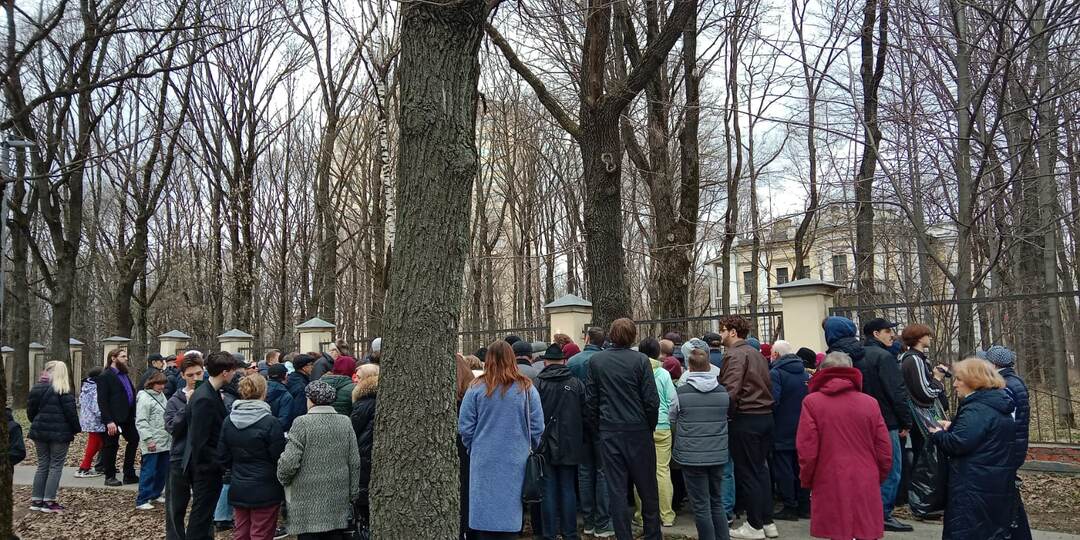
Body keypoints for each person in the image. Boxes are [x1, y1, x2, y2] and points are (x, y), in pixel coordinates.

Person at [796, 351, 893, 540]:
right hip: (866, 475)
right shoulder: (870, 403)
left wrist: (807, 480)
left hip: (829, 476)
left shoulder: (812, 402)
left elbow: (807, 449)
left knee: (838, 532)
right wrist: (878, 476)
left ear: (822, 371)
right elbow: (884, 449)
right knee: (865, 531)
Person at [459, 340, 545, 539]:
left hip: (483, 460)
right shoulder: (526, 389)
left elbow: (465, 427)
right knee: (510, 514)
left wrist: (476, 448)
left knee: (483, 514)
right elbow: (537, 426)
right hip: (516, 460)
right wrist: (526, 445)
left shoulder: (475, 389)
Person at [585, 318, 661, 540]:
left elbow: (591, 401)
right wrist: (649, 426)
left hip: (610, 431)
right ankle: (653, 534)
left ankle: (623, 535)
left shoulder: (597, 361)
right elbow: (651, 400)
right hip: (637, 430)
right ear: (633, 336)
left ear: (612, 335)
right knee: (647, 487)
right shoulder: (640, 361)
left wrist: (599, 428)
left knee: (617, 490)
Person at [928, 358, 1017, 540]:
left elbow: (958, 444)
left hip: (973, 484)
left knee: (969, 530)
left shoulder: (977, 408)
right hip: (992, 481)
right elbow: (983, 436)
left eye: (959, 379)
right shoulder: (993, 403)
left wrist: (938, 434)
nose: (954, 384)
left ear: (973, 380)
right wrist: (953, 426)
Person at [278, 380, 362, 539]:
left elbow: (289, 462)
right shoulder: (345, 421)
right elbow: (354, 461)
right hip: (338, 495)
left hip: (306, 498)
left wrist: (283, 479)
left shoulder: (301, 423)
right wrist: (353, 493)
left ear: (310, 399)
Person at [717, 316, 777, 540]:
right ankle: (767, 521)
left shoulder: (734, 355)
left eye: (723, 330)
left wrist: (724, 414)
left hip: (746, 418)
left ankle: (754, 525)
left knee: (747, 473)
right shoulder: (756, 353)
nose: (721, 335)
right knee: (760, 470)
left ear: (732, 332)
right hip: (765, 416)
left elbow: (730, 390)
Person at [668, 340, 731, 540]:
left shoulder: (681, 393)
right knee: (717, 501)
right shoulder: (723, 393)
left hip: (691, 455)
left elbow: (672, 418)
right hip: (718, 453)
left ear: (689, 367)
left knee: (701, 506)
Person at [858, 317, 914, 532]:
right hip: (887, 422)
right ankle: (882, 514)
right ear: (876, 334)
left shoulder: (857, 355)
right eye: (888, 331)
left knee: (870, 470)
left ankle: (870, 512)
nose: (892, 335)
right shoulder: (883, 357)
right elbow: (896, 392)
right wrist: (905, 421)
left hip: (863, 422)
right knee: (891, 469)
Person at [218, 374, 287, 540]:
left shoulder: (229, 420)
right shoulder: (271, 422)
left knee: (241, 531)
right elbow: (279, 457)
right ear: (264, 392)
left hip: (239, 483)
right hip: (266, 486)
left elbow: (222, 455)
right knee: (261, 532)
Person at [178, 351, 238, 539]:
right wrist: (218, 463)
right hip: (205, 469)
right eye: (233, 371)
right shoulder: (205, 398)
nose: (235, 374)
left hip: (208, 467)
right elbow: (199, 441)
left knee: (205, 516)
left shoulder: (208, 392)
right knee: (200, 517)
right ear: (225, 372)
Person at [897, 323, 949, 515]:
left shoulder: (910, 358)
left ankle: (924, 498)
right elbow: (926, 393)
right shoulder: (914, 360)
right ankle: (924, 499)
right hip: (922, 416)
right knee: (924, 457)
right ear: (919, 338)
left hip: (918, 415)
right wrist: (937, 379)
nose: (930, 338)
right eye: (927, 335)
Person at [536, 344, 585, 540]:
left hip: (544, 443)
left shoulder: (537, 384)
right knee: (567, 488)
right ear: (564, 361)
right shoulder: (576, 383)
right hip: (570, 443)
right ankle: (570, 533)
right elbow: (586, 413)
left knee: (547, 490)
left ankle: (548, 533)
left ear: (546, 362)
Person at [982, 346, 1032, 540]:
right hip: (1013, 447)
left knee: (1006, 497)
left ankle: (1013, 532)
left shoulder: (1005, 385)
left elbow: (1006, 421)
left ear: (994, 364)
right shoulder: (1014, 381)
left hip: (1008, 449)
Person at [568, 327, 612, 537]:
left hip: (580, 420)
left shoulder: (574, 361)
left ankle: (588, 521)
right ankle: (603, 522)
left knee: (585, 471)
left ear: (586, 338)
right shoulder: (606, 360)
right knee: (603, 471)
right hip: (603, 420)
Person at [634, 338, 678, 528]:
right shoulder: (664, 374)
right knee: (662, 471)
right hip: (661, 427)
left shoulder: (634, 372)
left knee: (640, 473)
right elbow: (673, 402)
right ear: (658, 353)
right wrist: (668, 421)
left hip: (640, 428)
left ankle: (642, 515)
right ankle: (666, 515)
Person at [27, 360, 80, 514]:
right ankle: (49, 501)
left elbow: (30, 411)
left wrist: (38, 422)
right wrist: (76, 429)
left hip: (40, 431)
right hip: (60, 433)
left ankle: (37, 499)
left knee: (43, 465)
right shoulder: (63, 390)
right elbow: (71, 414)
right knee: (55, 466)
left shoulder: (37, 388)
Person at [768, 340, 810, 521]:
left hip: (782, 428)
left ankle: (789, 506)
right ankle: (804, 505)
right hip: (802, 427)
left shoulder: (776, 373)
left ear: (776, 354)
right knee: (800, 467)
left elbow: (773, 401)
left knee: (784, 469)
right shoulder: (804, 373)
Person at [165, 351, 204, 540]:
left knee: (203, 506)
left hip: (203, 458)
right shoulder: (175, 400)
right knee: (176, 507)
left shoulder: (210, 397)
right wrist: (187, 407)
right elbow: (172, 427)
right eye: (190, 375)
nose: (195, 378)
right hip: (179, 458)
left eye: (198, 374)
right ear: (182, 376)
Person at [97, 348, 140, 487]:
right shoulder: (105, 376)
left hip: (127, 417)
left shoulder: (124, 374)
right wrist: (109, 421)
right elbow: (102, 401)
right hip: (113, 419)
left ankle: (129, 473)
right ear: (113, 358)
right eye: (123, 356)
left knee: (134, 439)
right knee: (111, 446)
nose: (126, 359)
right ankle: (109, 476)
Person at [134, 372, 171, 510]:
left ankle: (155, 493)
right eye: (159, 384)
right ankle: (143, 498)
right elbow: (141, 421)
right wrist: (149, 439)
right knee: (149, 470)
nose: (162, 386)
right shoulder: (144, 398)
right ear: (151, 383)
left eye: (163, 384)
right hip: (152, 440)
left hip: (164, 439)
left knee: (162, 469)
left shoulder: (161, 396)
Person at [350, 364, 380, 532]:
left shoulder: (363, 403)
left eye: (359, 378)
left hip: (364, 456)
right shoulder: (378, 399)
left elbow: (353, 431)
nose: (355, 381)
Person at [75, 366, 106, 478]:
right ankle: (84, 467)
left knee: (97, 444)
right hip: (96, 421)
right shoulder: (95, 389)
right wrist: (106, 416)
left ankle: (86, 466)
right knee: (94, 444)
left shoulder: (87, 387)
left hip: (89, 420)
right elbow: (97, 407)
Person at [286, 354, 315, 428]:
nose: (312, 367)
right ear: (304, 367)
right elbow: (300, 410)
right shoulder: (302, 387)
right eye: (311, 365)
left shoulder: (292, 378)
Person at [265, 364, 294, 431]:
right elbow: (284, 421)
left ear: (268, 376)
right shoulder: (286, 396)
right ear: (286, 376)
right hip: (275, 435)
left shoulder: (259, 391)